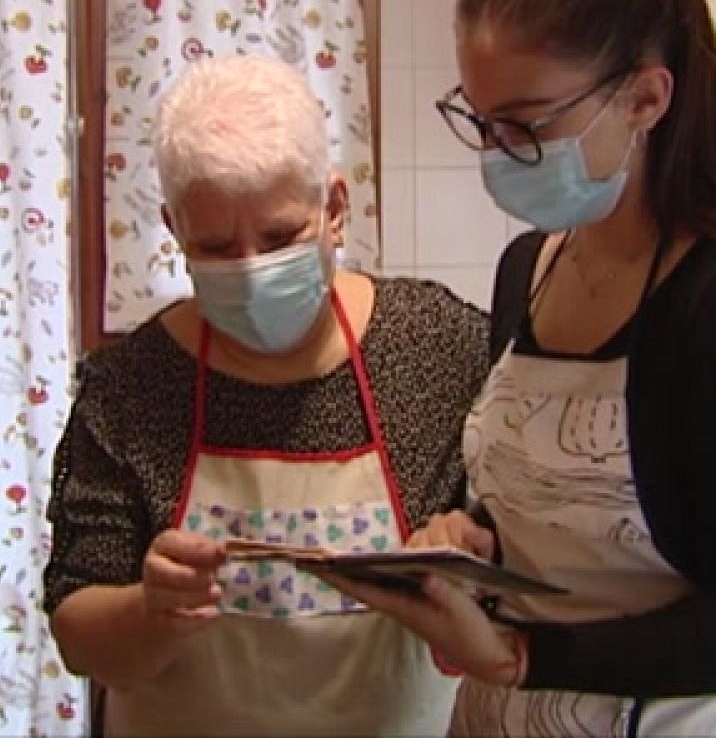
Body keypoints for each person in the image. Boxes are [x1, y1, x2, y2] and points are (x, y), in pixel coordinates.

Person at [320, 0, 716, 736]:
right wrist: (473, 536)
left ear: (646, 99)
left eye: (524, 125)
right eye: (480, 121)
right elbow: (548, 503)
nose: (496, 156)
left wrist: (519, 656)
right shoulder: (530, 266)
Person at [42, 54, 489, 736]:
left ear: (335, 208)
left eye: (280, 237)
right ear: (174, 229)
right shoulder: (133, 387)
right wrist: (155, 611)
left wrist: (464, 551)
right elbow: (79, 632)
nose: (251, 273)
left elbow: (515, 571)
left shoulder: (437, 349)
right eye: (216, 247)